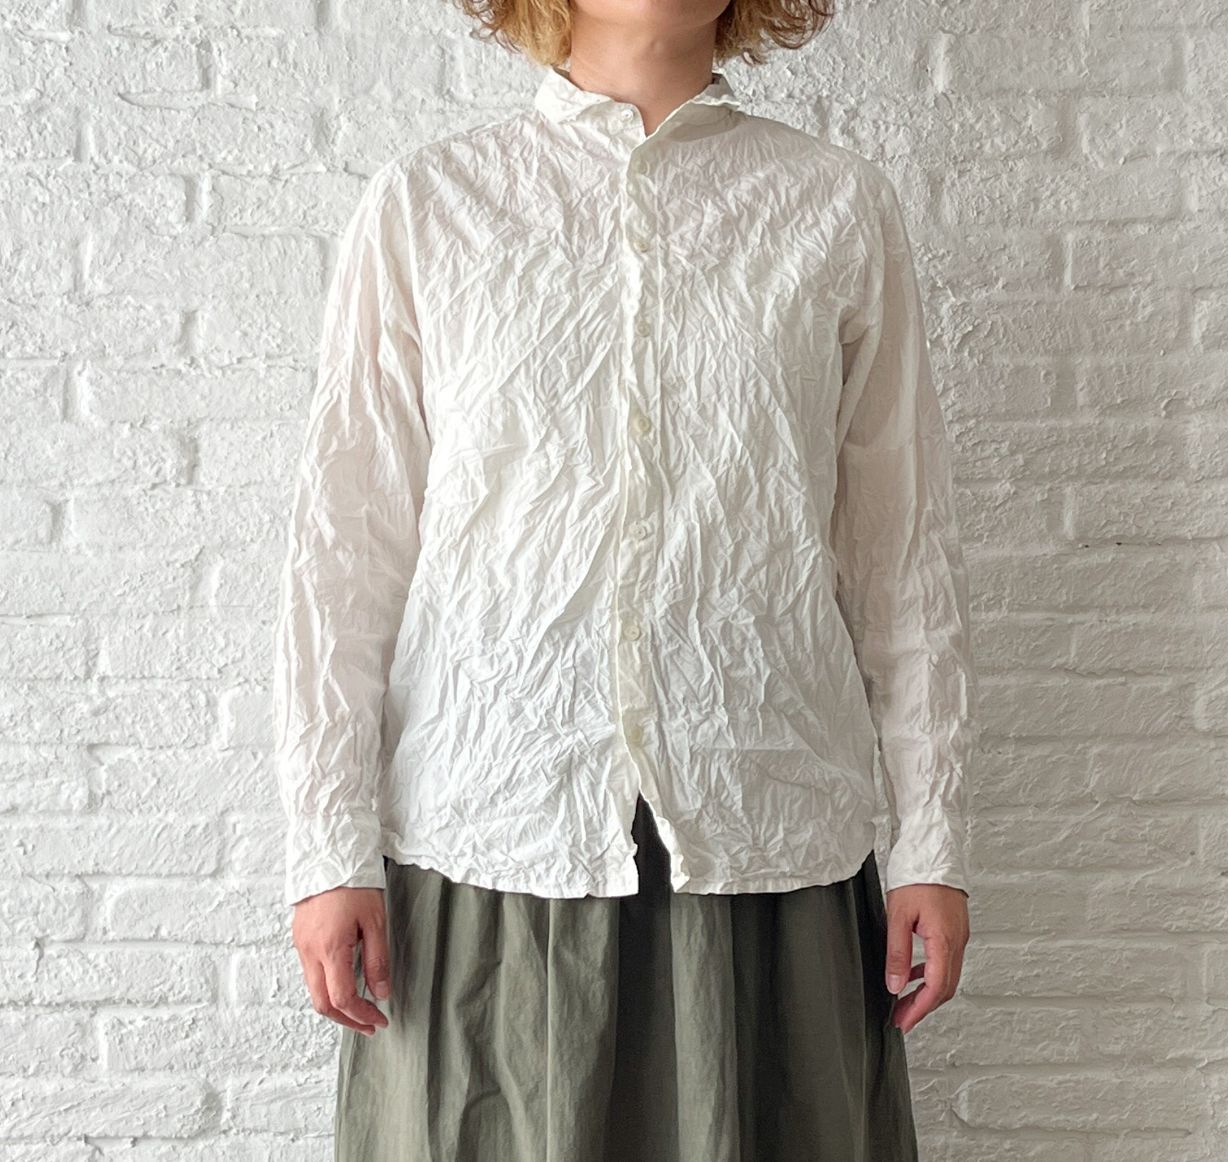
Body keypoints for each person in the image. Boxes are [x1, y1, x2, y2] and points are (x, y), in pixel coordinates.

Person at [271, 1, 978, 1158]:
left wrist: (932, 843)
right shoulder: (428, 206)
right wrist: (326, 850)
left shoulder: (833, 207)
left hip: (764, 850)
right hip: (487, 848)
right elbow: (346, 553)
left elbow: (899, 551)